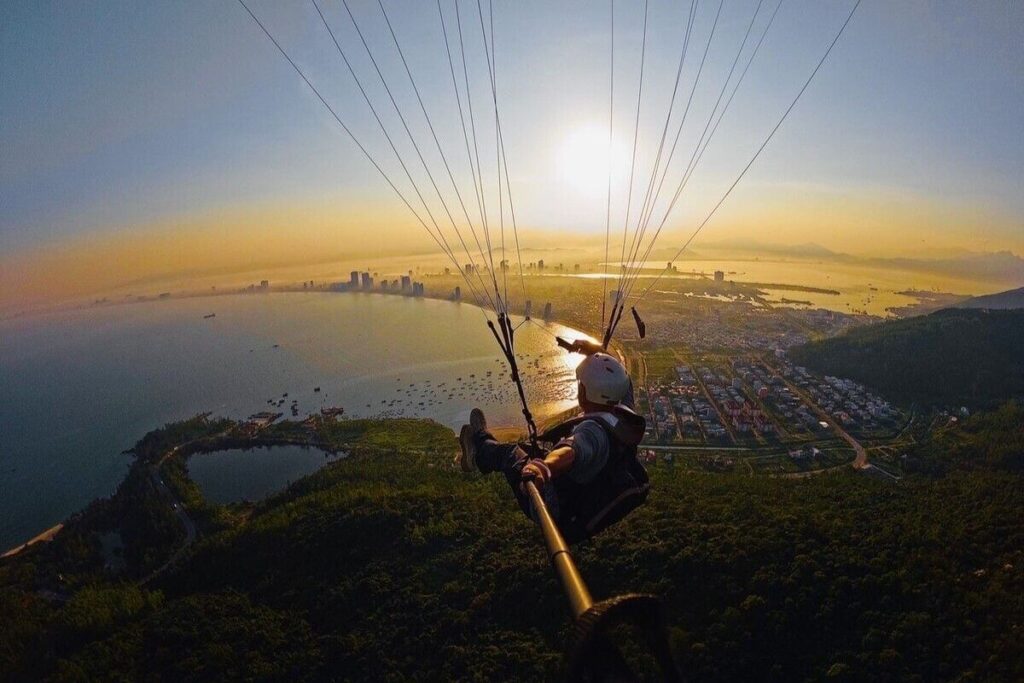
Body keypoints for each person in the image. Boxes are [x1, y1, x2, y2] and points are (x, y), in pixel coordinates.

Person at [457, 351, 650, 544]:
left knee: (510, 454)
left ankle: (477, 450)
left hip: (553, 506)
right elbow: (623, 383)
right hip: (580, 494)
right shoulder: (622, 414)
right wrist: (592, 350)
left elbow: (570, 451)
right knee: (525, 447)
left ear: (585, 392)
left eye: (581, 384)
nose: (579, 387)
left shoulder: (592, 432)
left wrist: (544, 467)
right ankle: (482, 445)